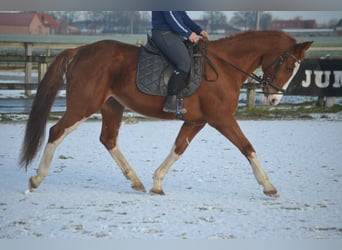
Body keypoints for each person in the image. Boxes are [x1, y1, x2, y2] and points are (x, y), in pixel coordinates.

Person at [151, 11, 208, 113]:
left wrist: (198, 30)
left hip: (173, 33)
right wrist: (188, 33)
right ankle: (171, 100)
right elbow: (171, 17)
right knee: (184, 63)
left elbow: (182, 16)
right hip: (163, 33)